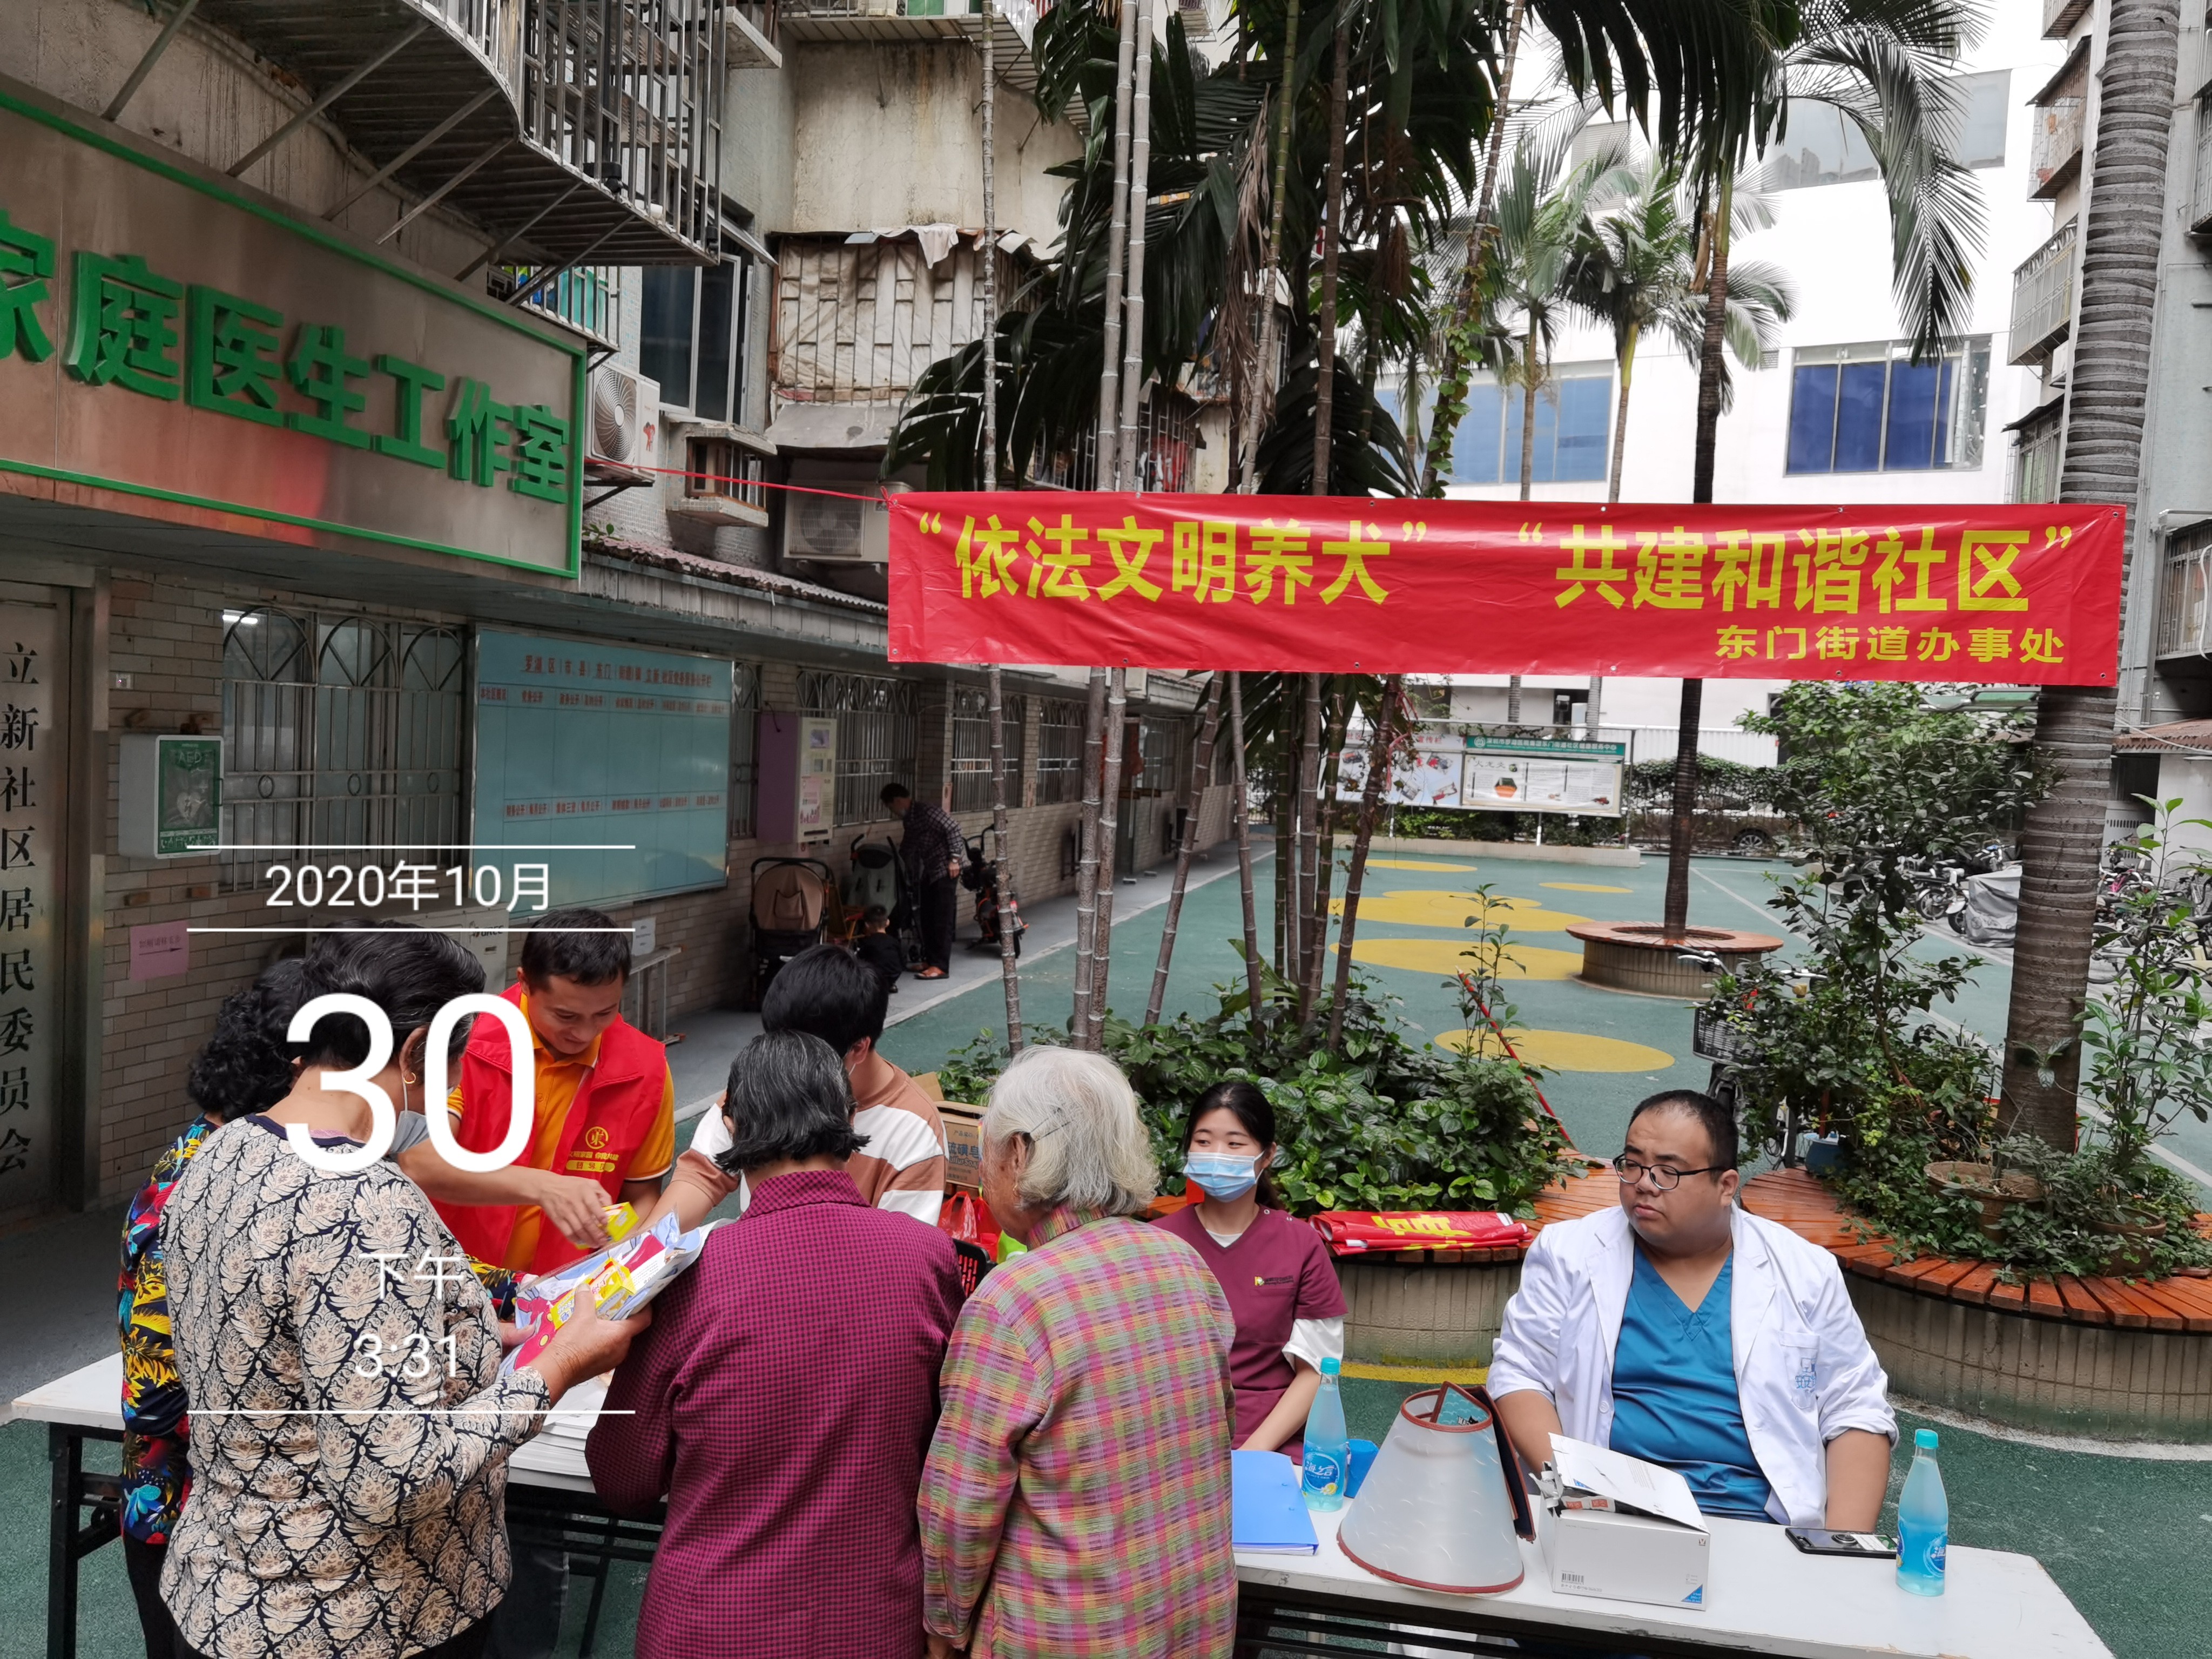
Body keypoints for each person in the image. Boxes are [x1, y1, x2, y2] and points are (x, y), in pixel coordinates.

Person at [158, 923, 645, 1659]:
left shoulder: (222, 1152)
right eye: (450, 1068)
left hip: (226, 1591)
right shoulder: (365, 1203)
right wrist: (559, 1366)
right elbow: (391, 1480)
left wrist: (456, 1333)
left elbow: (288, 1348)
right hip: (357, 1618)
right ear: (416, 1052)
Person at [589, 1031, 962, 1658]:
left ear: (733, 1126)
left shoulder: (688, 1276)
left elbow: (623, 1479)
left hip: (713, 1628)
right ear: (847, 1119)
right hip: (872, 1623)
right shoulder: (927, 1257)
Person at [919, 1047, 1237, 1659]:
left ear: (1019, 1154)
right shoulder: (1185, 1265)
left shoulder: (1011, 1302)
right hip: (1193, 1624)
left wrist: (944, 1629)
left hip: (1067, 1634)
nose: (983, 1169)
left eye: (989, 1150)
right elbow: (1219, 1429)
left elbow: (961, 1507)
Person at [1489, 1088, 1895, 1530]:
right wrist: (1576, 1491)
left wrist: (1840, 1549)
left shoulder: (1805, 1271)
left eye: (1668, 1172)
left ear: (1726, 1186)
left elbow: (1856, 1409)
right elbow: (1520, 1374)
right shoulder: (1568, 1252)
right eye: (1633, 1164)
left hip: (1758, 1526)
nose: (1644, 1184)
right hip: (1610, 1515)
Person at [118, 959, 307, 1659]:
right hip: (195, 1517)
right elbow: (153, 1394)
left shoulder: (243, 1156)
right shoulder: (204, 1183)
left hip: (239, 1515)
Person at [412, 907, 675, 1277]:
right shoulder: (467, 1045)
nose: (585, 1033)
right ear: (525, 982)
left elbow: (642, 1195)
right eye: (566, 1016)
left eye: (605, 1013)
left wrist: (617, 1257)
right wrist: (546, 1188)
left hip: (570, 1290)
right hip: (456, 1278)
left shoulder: (646, 1070)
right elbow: (420, 1163)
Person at [663, 941, 946, 1228]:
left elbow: (902, 1246)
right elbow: (700, 1177)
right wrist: (643, 1251)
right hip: (757, 1247)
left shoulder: (914, 1127)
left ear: (859, 1048)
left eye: (806, 1055)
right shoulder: (766, 1082)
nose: (783, 1063)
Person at [1154, 1080, 1346, 1453]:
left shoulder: (1301, 1243)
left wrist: (1251, 1455)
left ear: (1268, 1155)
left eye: (1235, 1144)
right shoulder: (1155, 1242)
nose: (1217, 1155)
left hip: (1274, 1441)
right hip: (1172, 1440)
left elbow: (1316, 1371)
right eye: (1204, 1141)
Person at [881, 781, 962, 979]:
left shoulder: (927, 812)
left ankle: (940, 966)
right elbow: (908, 845)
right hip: (931, 870)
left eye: (891, 807)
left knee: (941, 918)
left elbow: (953, 829)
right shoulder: (910, 820)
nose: (893, 812)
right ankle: (929, 960)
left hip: (946, 869)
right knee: (926, 916)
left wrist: (954, 860)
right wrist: (897, 863)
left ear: (898, 801)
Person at [854, 902, 905, 994]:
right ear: (888, 922)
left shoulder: (867, 942)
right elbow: (901, 959)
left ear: (867, 925)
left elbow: (859, 960)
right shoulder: (894, 941)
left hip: (875, 976)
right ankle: (890, 984)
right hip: (894, 974)